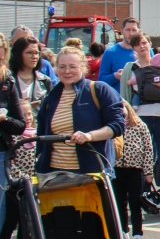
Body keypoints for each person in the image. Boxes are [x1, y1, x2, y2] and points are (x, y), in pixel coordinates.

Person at [120, 32, 160, 220]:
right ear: (133, 48)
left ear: (150, 45)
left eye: (145, 43)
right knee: (140, 163)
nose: (142, 46)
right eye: (137, 44)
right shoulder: (130, 68)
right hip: (140, 119)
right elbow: (124, 97)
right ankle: (140, 204)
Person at [34, 46, 125, 177]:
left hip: (91, 173)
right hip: (54, 174)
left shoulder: (99, 90)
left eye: (72, 66)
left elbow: (117, 125)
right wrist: (40, 155)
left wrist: (89, 136)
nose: (67, 71)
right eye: (62, 67)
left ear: (82, 67)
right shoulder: (51, 98)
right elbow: (42, 131)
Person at [113, 102, 154, 239]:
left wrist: (148, 171)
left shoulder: (140, 126)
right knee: (120, 204)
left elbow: (148, 149)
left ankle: (138, 236)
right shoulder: (112, 128)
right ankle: (124, 234)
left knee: (135, 203)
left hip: (136, 170)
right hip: (117, 170)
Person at [0, 36, 28, 235]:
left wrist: (3, 119)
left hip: (2, 151)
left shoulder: (7, 80)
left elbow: (19, 125)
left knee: (1, 204)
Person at [10, 36, 53, 128]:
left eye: (37, 53)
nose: (34, 57)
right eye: (29, 53)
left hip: (37, 131)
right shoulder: (7, 80)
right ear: (18, 54)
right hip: (13, 130)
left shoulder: (45, 81)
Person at [97, 17, 141, 93]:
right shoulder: (110, 52)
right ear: (122, 31)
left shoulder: (146, 50)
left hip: (141, 98)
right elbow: (101, 81)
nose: (131, 34)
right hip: (117, 98)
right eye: (128, 30)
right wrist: (115, 76)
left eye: (134, 30)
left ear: (139, 32)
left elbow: (154, 74)